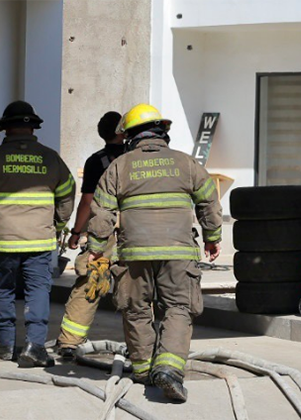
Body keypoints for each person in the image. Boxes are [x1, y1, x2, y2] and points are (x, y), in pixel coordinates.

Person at [87, 104, 222, 402]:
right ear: (163, 132)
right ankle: (170, 371)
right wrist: (213, 238)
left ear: (129, 137)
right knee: (178, 308)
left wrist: (96, 248)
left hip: (133, 252)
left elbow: (101, 212)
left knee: (135, 307)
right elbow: (209, 203)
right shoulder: (186, 164)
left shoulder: (118, 167)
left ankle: (144, 369)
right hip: (178, 251)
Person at [0, 101, 75, 367]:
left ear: (4, 128)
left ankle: (5, 346)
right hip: (40, 239)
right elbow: (67, 195)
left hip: (2, 239)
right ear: (33, 127)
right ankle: (35, 347)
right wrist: (57, 225)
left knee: (3, 291)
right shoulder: (51, 157)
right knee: (37, 291)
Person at [56, 111, 129, 359]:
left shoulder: (96, 161)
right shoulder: (137, 158)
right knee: (138, 285)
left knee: (93, 283)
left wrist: (77, 232)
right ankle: (143, 344)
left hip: (103, 235)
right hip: (136, 232)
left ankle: (70, 342)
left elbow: (87, 201)